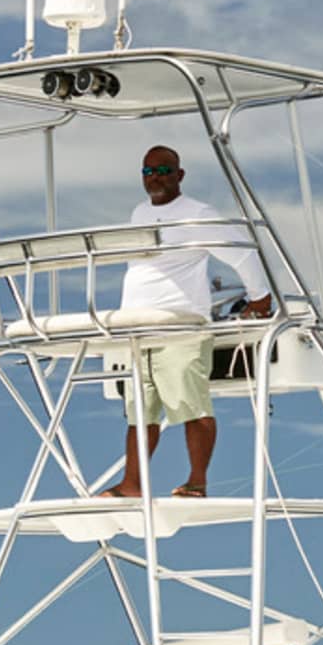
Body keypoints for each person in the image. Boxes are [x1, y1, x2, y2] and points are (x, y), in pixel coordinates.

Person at [101, 146, 273, 499]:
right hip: (139, 329)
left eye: (163, 170)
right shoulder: (139, 212)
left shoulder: (197, 214)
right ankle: (132, 483)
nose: (155, 178)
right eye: (148, 172)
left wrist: (260, 299)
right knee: (140, 413)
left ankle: (197, 480)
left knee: (192, 407)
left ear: (180, 175)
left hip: (181, 326)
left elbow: (241, 252)